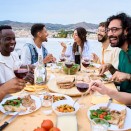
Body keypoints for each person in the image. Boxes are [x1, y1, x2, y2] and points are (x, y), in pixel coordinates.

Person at [99, 13, 131, 93]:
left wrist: (128, 76)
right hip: (121, 96)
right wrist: (110, 67)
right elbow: (120, 76)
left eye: (114, 29)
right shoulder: (122, 52)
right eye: (108, 30)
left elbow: (126, 76)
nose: (109, 34)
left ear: (126, 31)